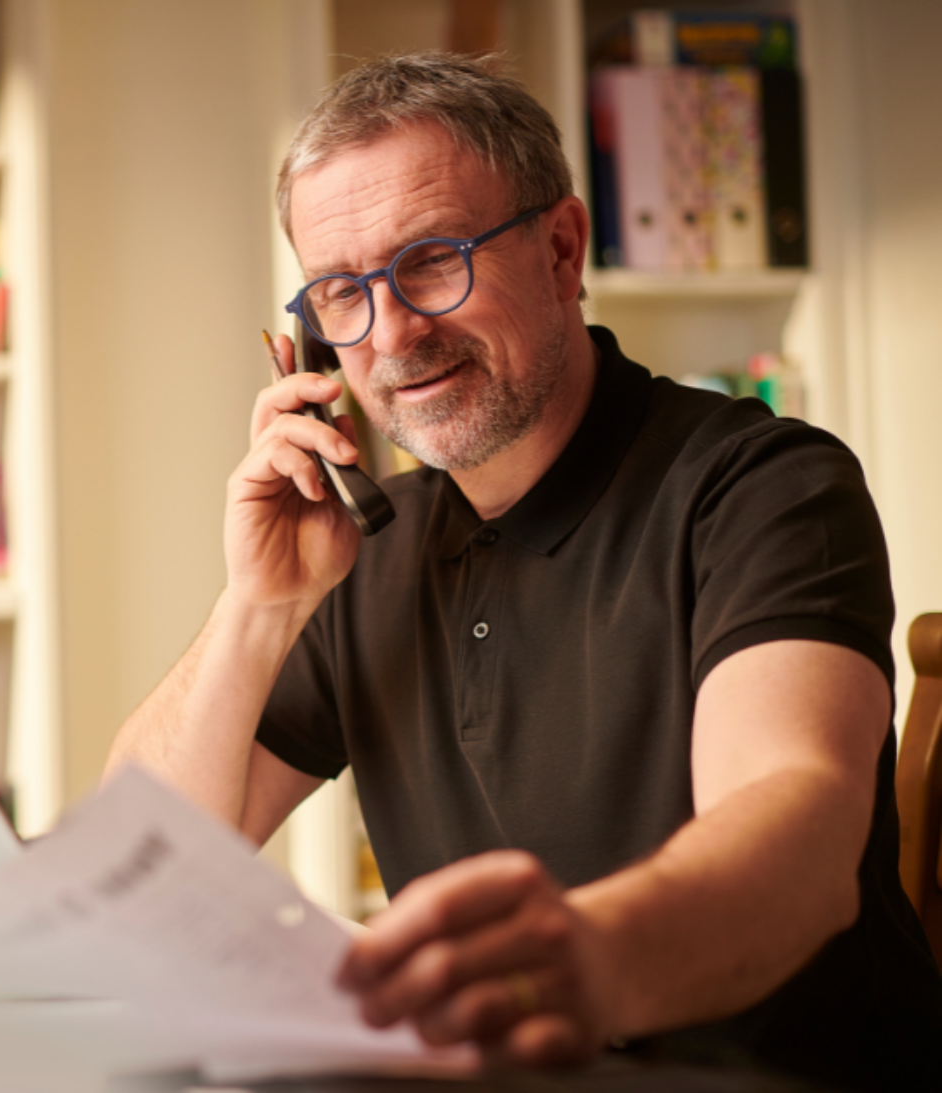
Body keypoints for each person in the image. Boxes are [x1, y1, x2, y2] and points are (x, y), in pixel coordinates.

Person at [105, 52, 942, 1089]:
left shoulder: (762, 486)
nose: (394, 332)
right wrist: (258, 605)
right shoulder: (358, 549)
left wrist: (582, 962)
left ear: (560, 249)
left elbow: (800, 838)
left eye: (433, 260)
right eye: (341, 294)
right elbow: (135, 863)